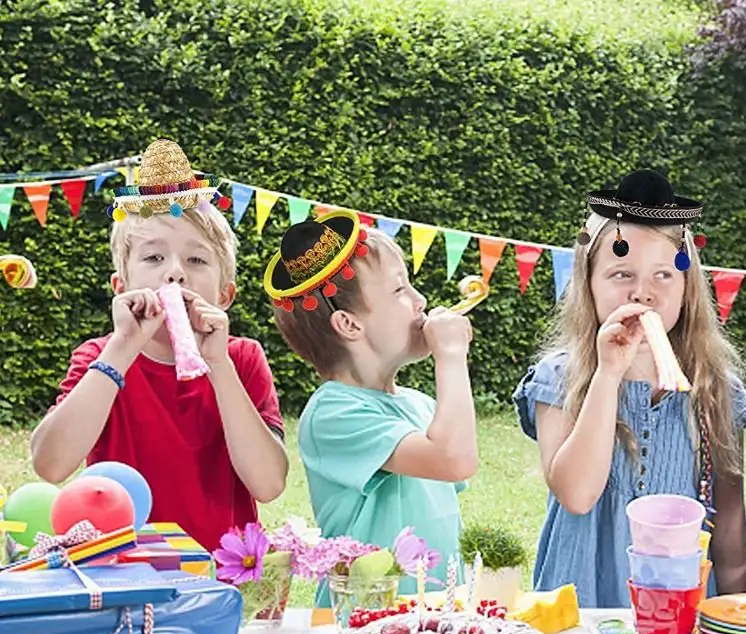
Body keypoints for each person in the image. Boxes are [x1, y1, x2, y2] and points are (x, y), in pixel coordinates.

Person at [30, 139, 287, 551]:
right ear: (122, 286)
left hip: (220, 579)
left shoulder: (241, 358)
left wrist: (217, 365)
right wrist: (122, 348)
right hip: (123, 576)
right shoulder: (99, 358)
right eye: (153, 259)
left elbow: (269, 483)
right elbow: (50, 464)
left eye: (197, 260)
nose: (175, 274)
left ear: (225, 295)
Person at [513, 168, 746, 608]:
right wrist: (607, 374)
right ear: (588, 284)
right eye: (621, 273)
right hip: (582, 600)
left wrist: (737, 618)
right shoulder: (560, 378)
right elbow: (577, 494)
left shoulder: (715, 389)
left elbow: (730, 523)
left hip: (683, 607)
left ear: (687, 288)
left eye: (664, 274)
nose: (643, 292)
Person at [265, 209, 476, 593]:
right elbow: (455, 459)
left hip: (433, 619)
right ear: (349, 324)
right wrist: (451, 355)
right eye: (400, 290)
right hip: (366, 621)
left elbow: (454, 475)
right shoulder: (333, 415)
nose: (420, 300)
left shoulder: (420, 405)